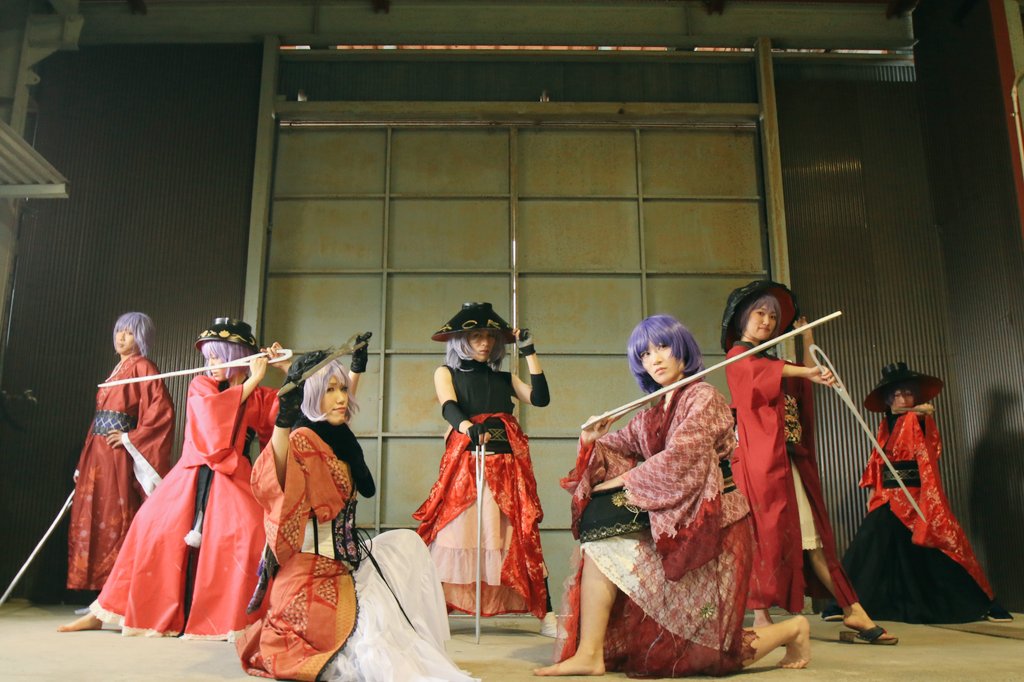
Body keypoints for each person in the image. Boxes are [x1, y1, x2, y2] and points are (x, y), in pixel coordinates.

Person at [536, 314, 810, 677]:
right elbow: (617, 446)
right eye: (645, 354)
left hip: (714, 524)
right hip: (678, 519)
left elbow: (684, 456)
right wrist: (590, 439)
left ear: (682, 349)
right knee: (600, 547)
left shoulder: (704, 397)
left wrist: (623, 481)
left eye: (662, 346)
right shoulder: (654, 411)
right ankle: (590, 654)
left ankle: (794, 629)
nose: (655, 359)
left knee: (707, 653)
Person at [237, 349, 477, 682]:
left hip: (348, 565)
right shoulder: (301, 440)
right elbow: (274, 476)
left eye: (342, 389)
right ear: (311, 396)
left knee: (407, 549)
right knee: (372, 646)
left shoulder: (335, 435)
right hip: (309, 572)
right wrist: (282, 421)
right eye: (330, 390)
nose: (341, 398)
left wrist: (356, 368)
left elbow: (341, 408)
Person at [59, 318, 285, 638]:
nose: (212, 364)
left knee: (252, 533)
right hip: (190, 473)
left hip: (234, 475)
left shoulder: (260, 396)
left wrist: (285, 369)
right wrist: (253, 380)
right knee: (148, 527)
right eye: (209, 358)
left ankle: (237, 617)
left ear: (238, 358)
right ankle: (104, 612)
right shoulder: (201, 386)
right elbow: (211, 418)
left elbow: (289, 414)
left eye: (218, 357)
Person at [721, 280, 897, 645]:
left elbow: (800, 378)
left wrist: (806, 339)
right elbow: (758, 375)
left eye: (773, 316)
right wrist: (804, 372)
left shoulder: (774, 362)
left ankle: (852, 608)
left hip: (788, 460)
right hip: (758, 464)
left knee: (812, 536)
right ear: (742, 318)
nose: (767, 321)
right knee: (762, 534)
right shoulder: (738, 356)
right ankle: (763, 615)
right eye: (759, 313)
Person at [827, 362, 1012, 624]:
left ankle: (984, 603)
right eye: (896, 394)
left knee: (939, 550)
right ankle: (843, 604)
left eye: (907, 393)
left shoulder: (918, 418)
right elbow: (877, 462)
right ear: (888, 399)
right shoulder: (884, 426)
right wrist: (874, 492)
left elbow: (929, 440)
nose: (902, 399)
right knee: (866, 547)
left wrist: (921, 412)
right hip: (887, 497)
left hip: (916, 496)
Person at [413, 302, 555, 634]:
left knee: (517, 534)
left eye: (490, 336)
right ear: (461, 340)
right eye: (477, 336)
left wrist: (529, 351)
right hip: (467, 466)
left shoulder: (505, 378)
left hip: (506, 468)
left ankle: (545, 612)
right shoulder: (445, 373)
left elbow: (541, 398)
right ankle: (430, 613)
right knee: (454, 533)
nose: (485, 343)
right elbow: (449, 406)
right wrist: (467, 427)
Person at [67, 312, 174, 592]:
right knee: (92, 514)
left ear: (141, 338)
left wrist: (130, 437)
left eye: (129, 332)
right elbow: (99, 418)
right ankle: (98, 593)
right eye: (119, 331)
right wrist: (83, 460)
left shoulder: (143, 367)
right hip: (97, 453)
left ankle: (117, 592)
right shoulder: (117, 369)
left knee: (115, 513)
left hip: (117, 455)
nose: (122, 337)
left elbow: (160, 411)